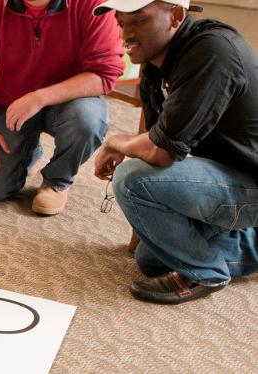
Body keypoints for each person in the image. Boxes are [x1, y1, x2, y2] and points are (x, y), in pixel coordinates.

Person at [93, 0, 258, 304]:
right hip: (233, 173)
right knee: (152, 259)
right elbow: (156, 142)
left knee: (132, 179)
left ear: (176, 16)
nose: (125, 34)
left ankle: (206, 273)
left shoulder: (213, 52)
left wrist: (116, 142)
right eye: (121, 22)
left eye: (138, 21)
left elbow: (160, 153)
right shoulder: (156, 65)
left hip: (251, 183)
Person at [0, 0, 125, 215]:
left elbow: (104, 75)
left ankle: (57, 181)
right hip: (11, 103)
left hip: (71, 102)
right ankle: (30, 152)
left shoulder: (93, 4)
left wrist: (39, 98)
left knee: (88, 121)